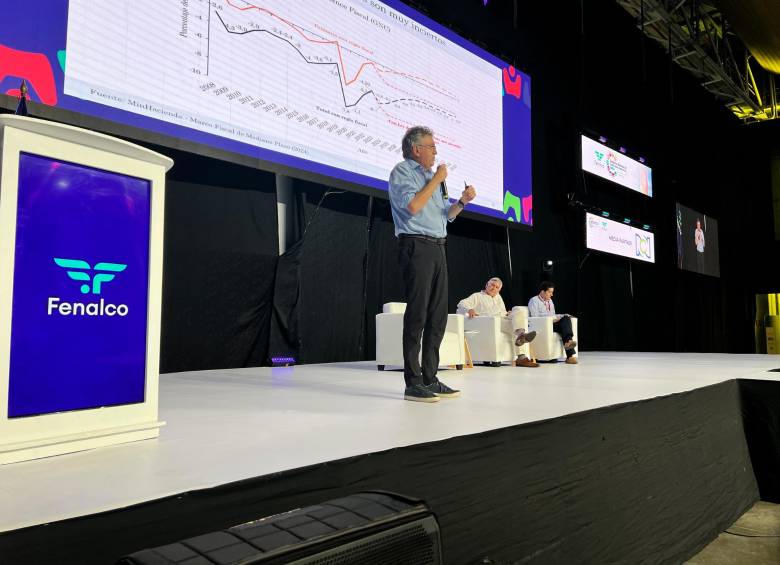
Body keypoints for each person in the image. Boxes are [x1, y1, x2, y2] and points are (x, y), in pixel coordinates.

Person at [388, 125, 477, 402]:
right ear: (416, 149)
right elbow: (412, 207)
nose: (436, 151)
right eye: (431, 146)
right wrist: (436, 179)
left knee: (437, 316)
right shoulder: (403, 172)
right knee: (417, 313)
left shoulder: (432, 178)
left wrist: (462, 201)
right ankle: (412, 382)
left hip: (439, 247)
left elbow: (446, 216)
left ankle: (430, 377)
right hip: (416, 245)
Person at [457, 277, 539, 368]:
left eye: (497, 287)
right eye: (492, 285)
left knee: (517, 310)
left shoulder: (498, 297)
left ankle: (521, 337)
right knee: (515, 325)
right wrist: (469, 309)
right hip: (490, 324)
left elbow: (502, 311)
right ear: (487, 284)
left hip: (502, 320)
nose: (494, 288)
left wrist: (507, 314)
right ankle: (522, 353)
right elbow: (461, 303)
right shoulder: (477, 296)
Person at [528, 281, 578, 364]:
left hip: (551, 324)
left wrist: (562, 315)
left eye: (552, 292)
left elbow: (553, 314)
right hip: (542, 326)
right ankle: (569, 355)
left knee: (566, 318)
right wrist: (552, 319)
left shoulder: (550, 301)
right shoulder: (534, 300)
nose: (552, 294)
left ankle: (569, 349)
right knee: (563, 321)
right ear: (543, 291)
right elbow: (535, 318)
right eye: (550, 292)